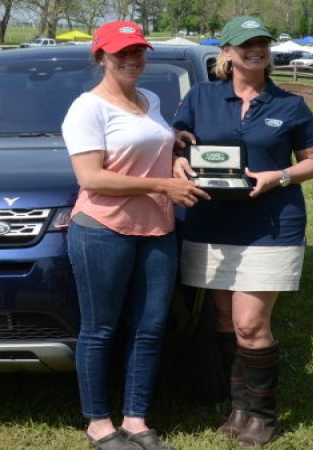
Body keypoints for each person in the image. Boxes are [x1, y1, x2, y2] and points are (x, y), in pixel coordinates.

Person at [172, 16, 313, 447]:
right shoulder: (200, 97)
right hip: (211, 223)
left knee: (249, 323)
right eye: (245, 44)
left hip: (269, 226)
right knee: (223, 319)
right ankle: (238, 410)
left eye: (261, 43)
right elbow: (175, 139)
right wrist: (175, 157)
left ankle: (264, 416)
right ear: (226, 52)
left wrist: (279, 176)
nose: (254, 50)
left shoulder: (290, 104)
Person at [62, 20, 208, 450]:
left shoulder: (151, 99)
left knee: (150, 327)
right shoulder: (87, 108)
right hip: (103, 229)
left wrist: (176, 149)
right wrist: (164, 186)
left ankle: (136, 419)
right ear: (100, 56)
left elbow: (152, 145)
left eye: (138, 51)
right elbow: (92, 178)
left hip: (157, 227)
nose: (132, 59)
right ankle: (98, 424)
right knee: (100, 328)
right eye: (121, 52)